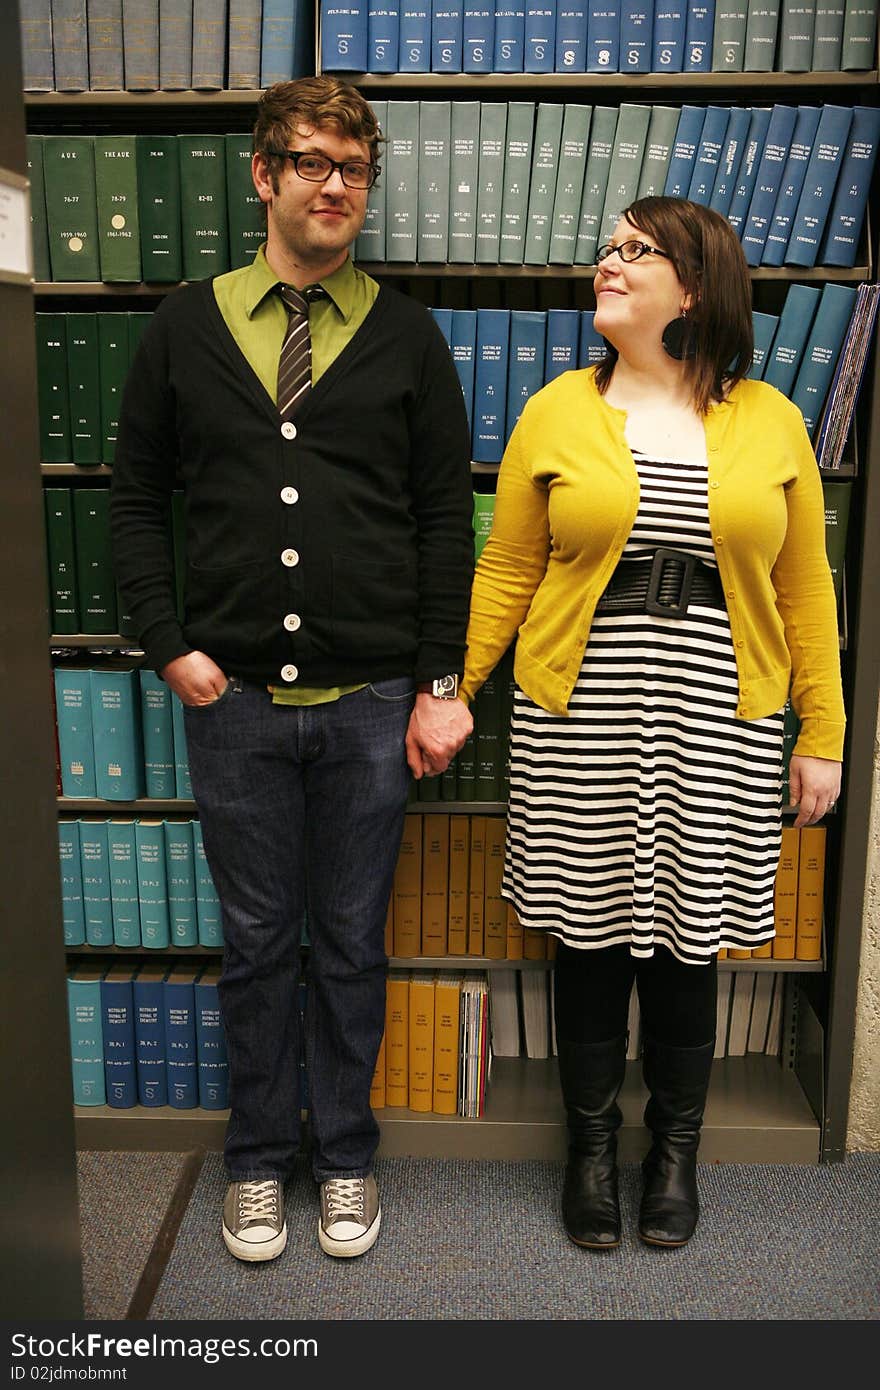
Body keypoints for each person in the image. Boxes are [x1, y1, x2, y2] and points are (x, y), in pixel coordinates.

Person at [111, 76, 474, 1263]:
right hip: (235, 707)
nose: (334, 187)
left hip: (374, 704)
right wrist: (170, 648)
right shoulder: (184, 324)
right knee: (259, 940)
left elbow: (437, 520)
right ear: (262, 177)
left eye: (353, 170)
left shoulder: (408, 333)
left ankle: (348, 1157)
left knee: (354, 938)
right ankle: (260, 1160)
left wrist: (435, 679)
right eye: (311, 163)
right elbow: (130, 508)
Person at [447, 196, 844, 1249]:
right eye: (606, 247)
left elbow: (806, 590)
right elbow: (509, 568)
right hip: (579, 706)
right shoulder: (553, 412)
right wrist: (454, 689)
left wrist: (824, 734)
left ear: (695, 285)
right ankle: (588, 1151)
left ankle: (674, 1154)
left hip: (720, 710)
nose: (605, 263)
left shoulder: (771, 420)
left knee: (686, 945)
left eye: (635, 249)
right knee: (588, 940)